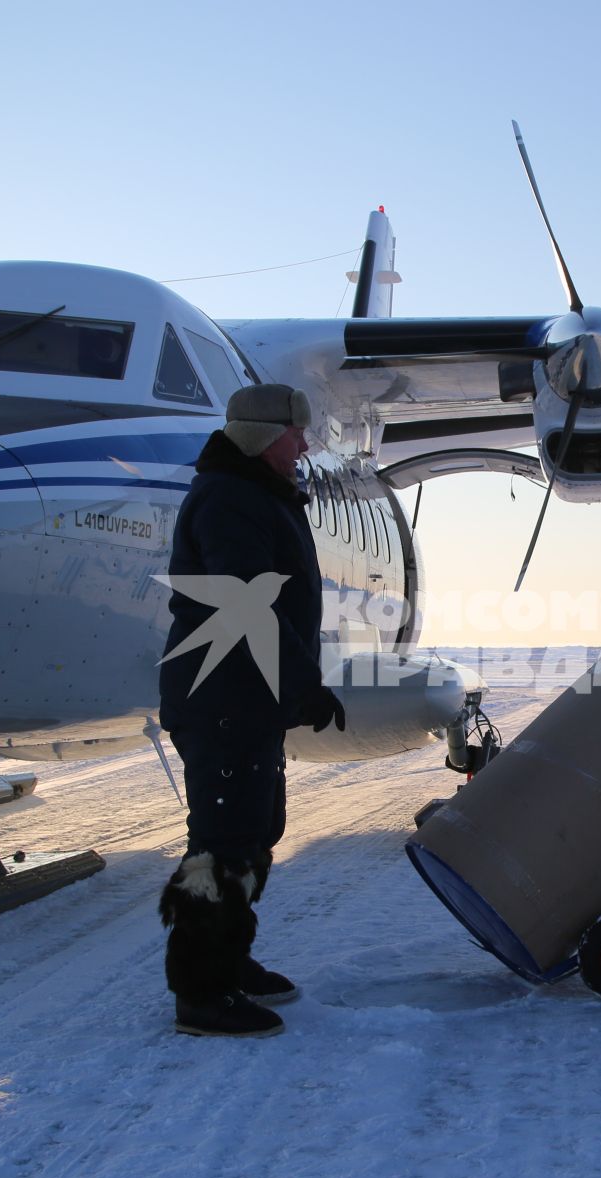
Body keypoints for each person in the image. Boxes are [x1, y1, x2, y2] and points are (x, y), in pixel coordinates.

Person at [156, 384, 347, 1037]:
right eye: (298, 435)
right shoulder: (230, 499)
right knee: (221, 846)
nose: (305, 447)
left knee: (254, 831)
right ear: (268, 436)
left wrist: (293, 689)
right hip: (221, 699)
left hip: (246, 701)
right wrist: (305, 686)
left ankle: (229, 962)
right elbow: (246, 608)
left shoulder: (256, 495)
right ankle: (201, 995)